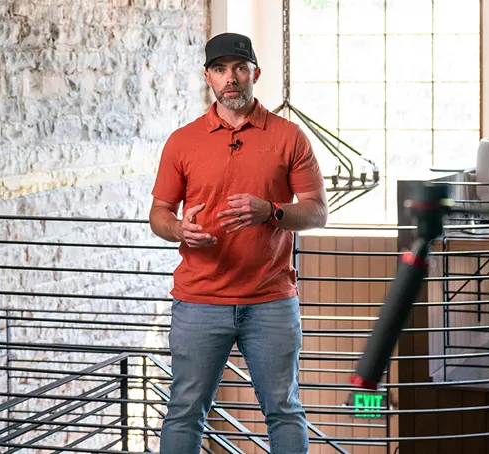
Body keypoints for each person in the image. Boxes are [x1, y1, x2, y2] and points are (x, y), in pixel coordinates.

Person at [148, 32, 328, 454]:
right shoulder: (182, 141)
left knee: (284, 410)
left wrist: (272, 211)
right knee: (184, 411)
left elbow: (318, 211)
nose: (230, 78)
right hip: (198, 300)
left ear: (255, 74)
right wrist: (178, 229)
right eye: (220, 69)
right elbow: (159, 214)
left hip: (271, 300)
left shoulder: (289, 136)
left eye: (240, 68)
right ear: (208, 76)